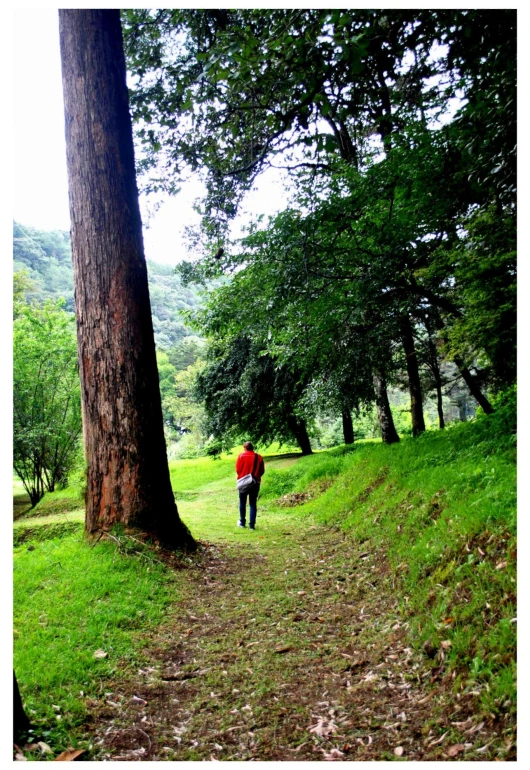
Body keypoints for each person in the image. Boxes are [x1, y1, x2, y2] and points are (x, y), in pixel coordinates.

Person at [235, 441, 265, 530]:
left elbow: (238, 470)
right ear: (252, 448)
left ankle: (242, 522)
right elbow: (262, 471)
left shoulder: (241, 456)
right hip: (255, 483)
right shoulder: (258, 457)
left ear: (244, 448)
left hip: (243, 483)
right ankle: (252, 525)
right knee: (252, 503)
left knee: (242, 502)